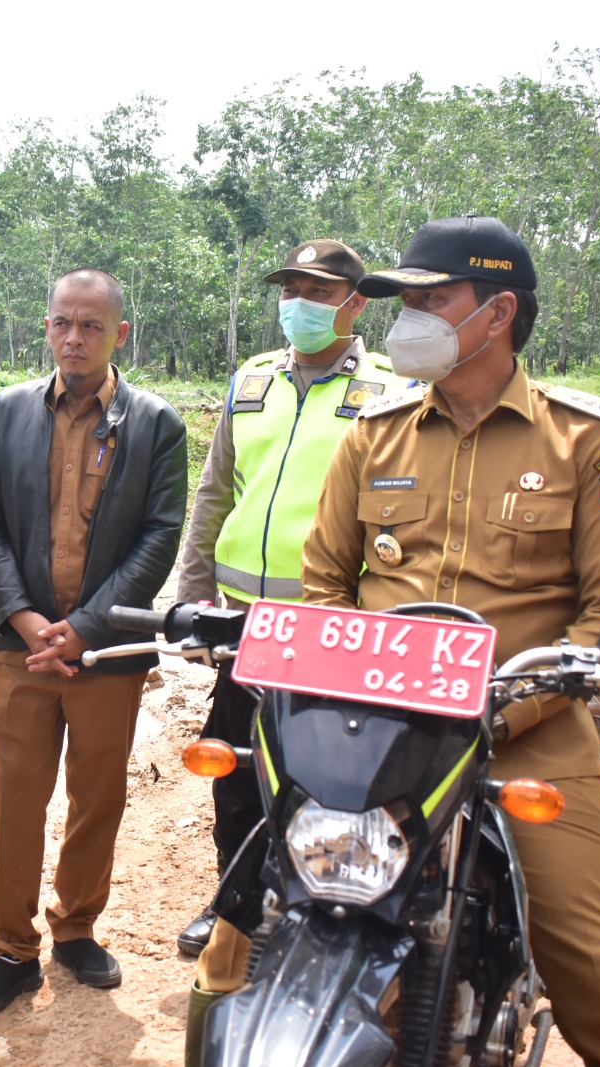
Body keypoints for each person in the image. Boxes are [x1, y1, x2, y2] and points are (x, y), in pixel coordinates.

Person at [289, 215, 600, 1067]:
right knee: (266, 927)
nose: (411, 318)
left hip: (523, 735)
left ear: (497, 314)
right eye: (408, 299)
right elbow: (324, 585)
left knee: (590, 964)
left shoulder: (586, 438)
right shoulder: (374, 433)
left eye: (434, 298)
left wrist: (501, 711)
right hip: (379, 738)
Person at [0, 268, 187, 1017]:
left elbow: (160, 537)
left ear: (121, 333)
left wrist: (86, 625)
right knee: (17, 795)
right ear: (47, 327)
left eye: (91, 326)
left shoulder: (156, 423)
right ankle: (11, 950)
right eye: (63, 323)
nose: (75, 338)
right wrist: (23, 615)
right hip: (20, 647)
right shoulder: (8, 410)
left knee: (99, 794)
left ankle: (77, 927)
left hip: (106, 651)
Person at [172, 239, 408, 957]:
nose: (298, 303)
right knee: (235, 765)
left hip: (331, 626)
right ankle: (234, 905)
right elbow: (214, 492)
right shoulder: (252, 381)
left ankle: (318, 910)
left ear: (355, 302)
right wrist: (191, 592)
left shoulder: (389, 393)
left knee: (324, 777)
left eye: (318, 289)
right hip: (244, 623)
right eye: (290, 289)